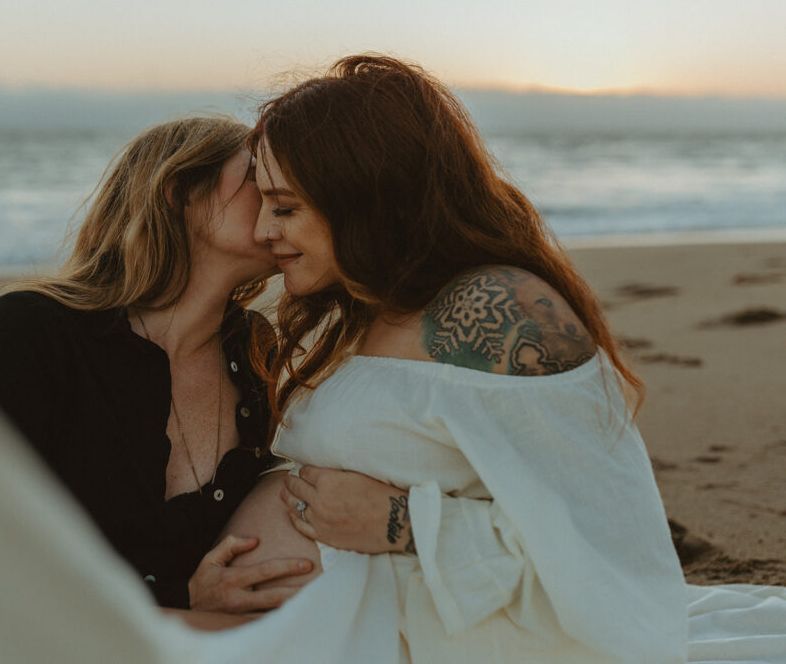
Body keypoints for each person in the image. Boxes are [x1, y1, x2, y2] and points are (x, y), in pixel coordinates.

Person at [211, 55, 786, 662]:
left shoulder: (496, 314)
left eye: (285, 207)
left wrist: (400, 523)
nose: (263, 231)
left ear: (366, 196)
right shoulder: (351, 307)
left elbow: (607, 539)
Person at [0, 116, 315, 618]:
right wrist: (173, 600)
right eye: (257, 176)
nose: (281, 192)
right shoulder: (27, 333)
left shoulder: (253, 349)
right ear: (179, 191)